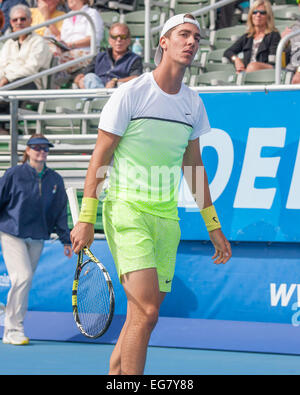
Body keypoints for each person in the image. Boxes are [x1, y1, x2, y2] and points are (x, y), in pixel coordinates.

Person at [70, 13, 232, 375]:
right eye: (184, 35)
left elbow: (194, 167)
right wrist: (86, 218)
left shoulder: (193, 103)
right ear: (164, 42)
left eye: (196, 37)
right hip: (126, 208)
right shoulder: (131, 93)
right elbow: (101, 157)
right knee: (146, 312)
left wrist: (213, 225)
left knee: (141, 318)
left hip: (166, 218)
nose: (192, 42)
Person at [0, 134, 73, 346]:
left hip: (38, 236)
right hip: (12, 233)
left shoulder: (55, 179)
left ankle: (11, 325)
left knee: (25, 281)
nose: (42, 151)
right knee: (22, 277)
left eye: (46, 148)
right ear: (28, 151)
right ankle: (13, 329)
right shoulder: (14, 174)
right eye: (37, 147)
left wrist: (65, 240)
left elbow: (60, 212)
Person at [0, 4, 52, 133]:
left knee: (9, 89)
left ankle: (6, 130)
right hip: (8, 83)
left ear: (30, 20)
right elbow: (1, 66)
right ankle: (4, 130)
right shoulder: (9, 43)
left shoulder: (39, 42)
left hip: (30, 83)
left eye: (23, 19)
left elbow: (31, 69)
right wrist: (3, 78)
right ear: (11, 23)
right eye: (15, 20)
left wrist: (7, 78)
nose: (19, 22)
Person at [74, 23, 143, 89]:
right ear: (109, 40)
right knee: (89, 77)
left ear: (128, 40)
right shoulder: (99, 57)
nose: (118, 40)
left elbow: (136, 78)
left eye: (123, 37)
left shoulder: (134, 59)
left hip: (117, 91)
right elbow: (83, 74)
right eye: (114, 37)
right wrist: (79, 80)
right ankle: (100, 97)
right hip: (96, 90)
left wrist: (116, 81)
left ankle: (100, 98)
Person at [223, 0, 281, 73]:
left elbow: (273, 62)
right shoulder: (247, 36)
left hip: (266, 72)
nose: (258, 15)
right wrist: (236, 59)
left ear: (268, 16)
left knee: (252, 66)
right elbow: (228, 52)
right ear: (251, 15)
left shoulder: (274, 35)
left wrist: (252, 68)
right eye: (255, 12)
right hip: (248, 72)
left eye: (262, 12)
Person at [56, 0, 103, 76]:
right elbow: (63, 39)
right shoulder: (67, 16)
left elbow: (93, 39)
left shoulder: (92, 13)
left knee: (54, 62)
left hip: (87, 53)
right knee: (48, 55)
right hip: (67, 52)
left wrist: (71, 45)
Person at [281, 0, 300, 84]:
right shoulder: (294, 28)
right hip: (290, 71)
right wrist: (283, 43)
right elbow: (282, 60)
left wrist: (299, 71)